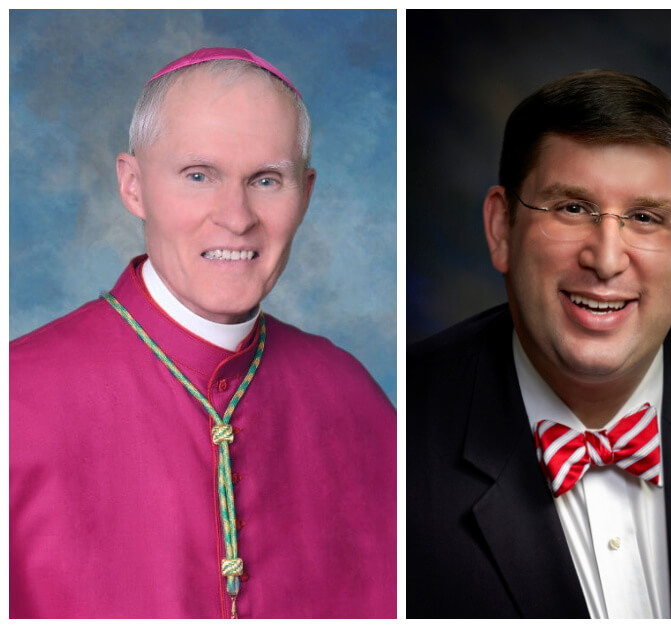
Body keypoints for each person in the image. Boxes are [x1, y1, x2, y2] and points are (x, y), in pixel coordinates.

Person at [9, 48, 396, 619]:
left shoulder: (353, 395)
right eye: (199, 175)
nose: (236, 216)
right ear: (134, 185)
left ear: (306, 194)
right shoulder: (16, 398)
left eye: (266, 180)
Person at [406, 69, 671, 618]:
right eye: (572, 208)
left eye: (644, 218)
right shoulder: (395, 432)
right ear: (501, 228)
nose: (606, 259)